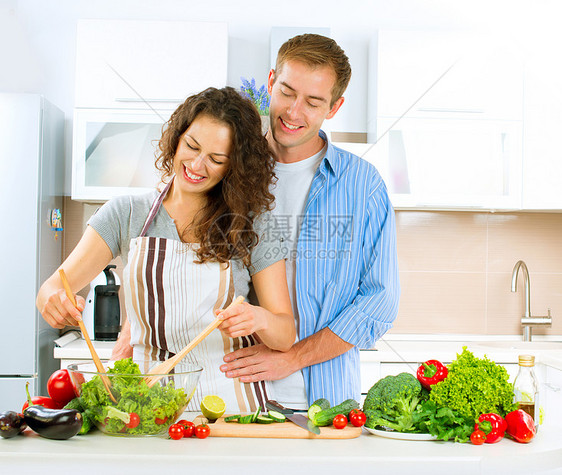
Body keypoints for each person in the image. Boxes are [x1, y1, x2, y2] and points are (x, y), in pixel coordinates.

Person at [36, 86, 295, 412]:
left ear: (234, 168)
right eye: (191, 145)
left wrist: (258, 318)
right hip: (147, 401)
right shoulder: (126, 213)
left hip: (228, 402)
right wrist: (54, 300)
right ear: (176, 137)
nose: (197, 164)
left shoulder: (254, 225)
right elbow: (52, 288)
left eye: (216, 159)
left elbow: (285, 334)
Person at [220, 34, 400, 408]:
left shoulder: (363, 186)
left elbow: (380, 302)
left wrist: (293, 358)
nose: (293, 112)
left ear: (334, 107)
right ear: (270, 81)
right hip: (230, 396)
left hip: (325, 403)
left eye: (313, 101)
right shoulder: (225, 170)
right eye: (286, 92)